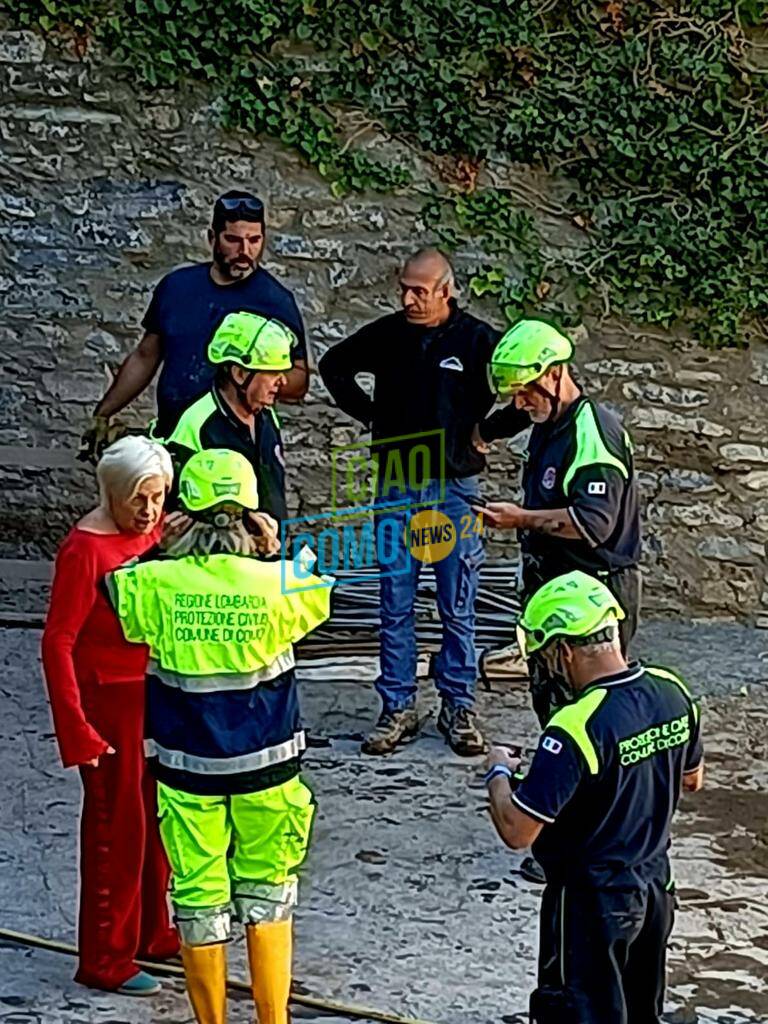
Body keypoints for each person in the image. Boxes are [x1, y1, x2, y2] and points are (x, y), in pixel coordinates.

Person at [105, 448, 333, 1024]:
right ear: (251, 516)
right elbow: (318, 587)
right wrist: (271, 546)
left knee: (199, 898)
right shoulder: (282, 581)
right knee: (270, 892)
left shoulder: (152, 582)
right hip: (269, 770)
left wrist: (160, 542)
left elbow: (114, 588)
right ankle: (273, 1020)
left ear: (182, 514)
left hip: (188, 771)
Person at [483, 570, 704, 1024]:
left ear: (563, 650)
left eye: (546, 655)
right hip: (656, 887)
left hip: (593, 904)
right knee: (641, 1009)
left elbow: (517, 829)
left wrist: (499, 771)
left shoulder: (574, 727)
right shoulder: (673, 690)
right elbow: (691, 779)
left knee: (579, 1011)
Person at [319, 249, 500, 757]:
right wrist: (371, 416)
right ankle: (397, 707)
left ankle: (458, 706)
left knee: (456, 603)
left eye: (419, 290)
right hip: (397, 485)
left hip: (454, 488)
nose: (408, 299)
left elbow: (519, 389)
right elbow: (335, 366)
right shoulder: (388, 335)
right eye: (404, 288)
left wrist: (484, 431)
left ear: (447, 291)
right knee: (395, 602)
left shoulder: (476, 340)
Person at [41, 436, 177, 996]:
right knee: (114, 830)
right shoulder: (83, 551)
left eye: (159, 497)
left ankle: (151, 930)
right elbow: (57, 642)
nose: (149, 511)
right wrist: (75, 726)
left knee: (156, 820)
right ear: (112, 494)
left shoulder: (152, 532)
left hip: (152, 695)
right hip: (107, 705)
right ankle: (106, 954)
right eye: (139, 499)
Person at [474, 319, 642, 726]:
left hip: (595, 590)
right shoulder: (549, 422)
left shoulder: (592, 432)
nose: (520, 403)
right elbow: (506, 422)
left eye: (526, 392)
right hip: (556, 587)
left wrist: (520, 519)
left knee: (593, 709)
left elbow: (593, 524)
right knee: (553, 701)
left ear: (554, 374)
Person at [81, 189, 309, 454]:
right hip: (174, 436)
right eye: (233, 240)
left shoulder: (275, 301)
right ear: (212, 238)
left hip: (238, 445)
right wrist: (103, 413)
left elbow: (298, 380)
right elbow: (145, 356)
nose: (245, 251)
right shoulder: (177, 287)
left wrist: (259, 377)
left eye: (254, 240)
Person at [163, 310, 295, 522]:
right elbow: (180, 515)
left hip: (271, 549)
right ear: (239, 374)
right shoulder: (195, 425)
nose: (283, 382)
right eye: (272, 372)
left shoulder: (266, 415)